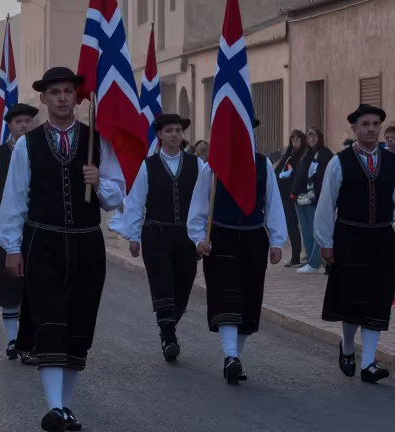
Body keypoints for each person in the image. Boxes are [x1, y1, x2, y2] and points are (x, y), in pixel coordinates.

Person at [0, 67, 126, 432]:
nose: (62, 98)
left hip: (87, 243)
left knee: (78, 324)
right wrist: (12, 247)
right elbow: (15, 199)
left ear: (77, 97)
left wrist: (98, 182)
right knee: (49, 322)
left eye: (68, 91)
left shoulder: (94, 141)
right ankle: (53, 406)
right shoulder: (28, 144)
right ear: (43, 99)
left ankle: (65, 405)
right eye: (55, 92)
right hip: (44, 241)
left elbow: (118, 196)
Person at [187, 117, 286, 386]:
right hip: (221, 237)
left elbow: (273, 203)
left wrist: (277, 240)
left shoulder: (263, 164)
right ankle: (230, 355)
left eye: (249, 130)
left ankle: (234, 357)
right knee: (226, 297)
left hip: (254, 238)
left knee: (249, 300)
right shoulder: (213, 166)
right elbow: (198, 207)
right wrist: (199, 238)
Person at [314, 103, 395, 384]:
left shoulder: (392, 161)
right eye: (365, 124)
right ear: (355, 128)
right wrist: (325, 242)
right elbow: (326, 204)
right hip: (349, 237)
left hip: (383, 238)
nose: (371, 129)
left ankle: (369, 362)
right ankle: (347, 346)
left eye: (375, 124)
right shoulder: (340, 161)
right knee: (352, 299)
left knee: (378, 299)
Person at [122, 113, 201, 362]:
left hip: (187, 236)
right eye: (169, 130)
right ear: (159, 134)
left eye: (178, 130)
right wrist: (133, 235)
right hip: (156, 233)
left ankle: (168, 324)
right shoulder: (148, 165)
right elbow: (135, 203)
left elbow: (205, 203)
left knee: (183, 287)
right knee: (162, 283)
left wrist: (203, 237)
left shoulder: (197, 165)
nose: (175, 134)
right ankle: (168, 336)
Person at [0, 102, 38, 358]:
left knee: (34, 284)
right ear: (9, 126)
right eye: (18, 122)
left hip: (36, 224)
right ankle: (13, 339)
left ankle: (32, 339)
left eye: (27, 122)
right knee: (9, 284)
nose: (24, 126)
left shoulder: (40, 149)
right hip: (5, 224)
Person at [293, 128, 331, 275]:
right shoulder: (306, 155)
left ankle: (315, 262)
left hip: (317, 199)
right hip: (301, 198)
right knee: (306, 231)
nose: (311, 139)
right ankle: (310, 259)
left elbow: (324, 177)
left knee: (317, 232)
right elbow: (299, 175)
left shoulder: (325, 155)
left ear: (319, 137)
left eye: (313, 135)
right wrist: (294, 193)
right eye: (308, 136)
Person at [275, 131, 307, 266]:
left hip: (294, 194)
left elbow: (299, 174)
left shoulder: (302, 156)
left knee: (298, 225)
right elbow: (278, 170)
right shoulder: (290, 155)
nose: (295, 141)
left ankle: (302, 256)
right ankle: (295, 256)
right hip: (284, 194)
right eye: (293, 139)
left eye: (298, 139)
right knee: (290, 225)